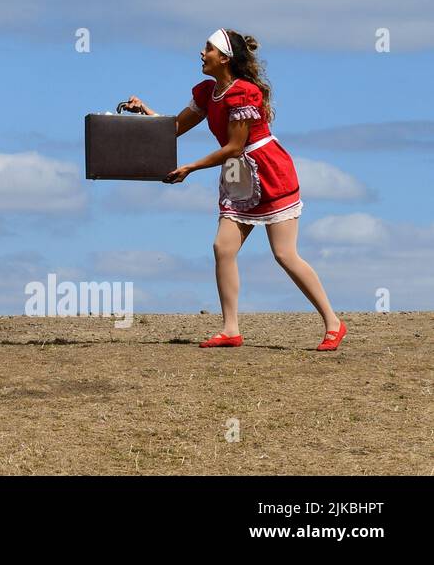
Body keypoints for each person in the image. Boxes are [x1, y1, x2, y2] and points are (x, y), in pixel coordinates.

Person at [125, 29, 346, 351]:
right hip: (237, 173)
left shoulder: (244, 93)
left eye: (208, 49)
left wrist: (190, 168)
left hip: (268, 171)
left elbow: (233, 146)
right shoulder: (207, 92)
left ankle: (333, 322)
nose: (202, 54)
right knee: (223, 248)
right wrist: (146, 113)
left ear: (225, 58)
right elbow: (174, 129)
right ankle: (230, 329)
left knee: (285, 254)